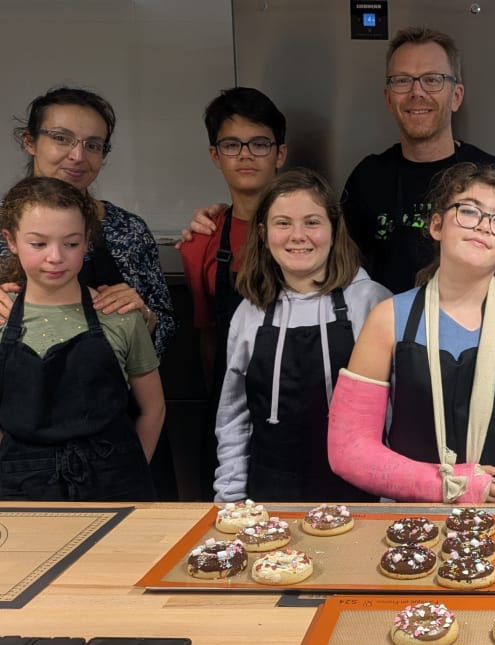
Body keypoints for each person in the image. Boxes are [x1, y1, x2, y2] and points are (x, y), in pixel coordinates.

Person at [328, 162, 495, 504]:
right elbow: (349, 450)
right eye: (469, 211)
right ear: (437, 225)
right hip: (420, 524)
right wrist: (448, 485)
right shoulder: (389, 318)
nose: (484, 226)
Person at [213, 169, 390, 503]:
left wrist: (389, 500)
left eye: (312, 222)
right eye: (283, 223)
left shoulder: (371, 302)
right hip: (269, 494)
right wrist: (229, 498)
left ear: (334, 230)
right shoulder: (249, 313)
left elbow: (395, 411)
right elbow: (234, 416)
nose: (298, 235)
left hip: (360, 494)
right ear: (263, 234)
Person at [0, 176, 164, 500]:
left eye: (71, 243)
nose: (56, 256)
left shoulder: (121, 317)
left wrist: (131, 473)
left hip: (116, 484)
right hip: (21, 491)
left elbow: (153, 408)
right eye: (38, 243)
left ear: (88, 242)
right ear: (11, 241)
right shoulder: (2, 320)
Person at [0, 87, 176, 356]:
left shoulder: (129, 230)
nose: (78, 156)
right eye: (61, 138)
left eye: (93, 145)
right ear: (29, 141)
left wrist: (147, 319)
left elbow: (166, 326)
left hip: (112, 392)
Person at [342, 26, 495, 293]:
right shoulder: (367, 177)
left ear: (456, 96)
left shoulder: (492, 174)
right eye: (402, 80)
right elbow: (345, 268)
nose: (417, 92)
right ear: (389, 98)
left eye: (432, 80)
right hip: (386, 330)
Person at [180, 87, 287, 388]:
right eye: (231, 145)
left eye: (259, 143)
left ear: (280, 154)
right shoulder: (200, 241)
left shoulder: (311, 235)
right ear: (215, 155)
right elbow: (209, 336)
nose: (245, 154)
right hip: (231, 399)